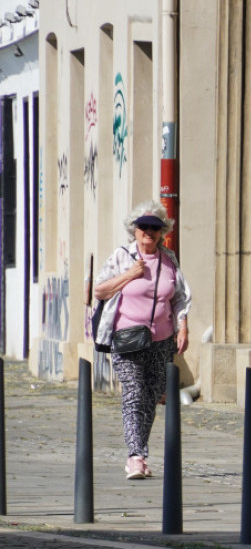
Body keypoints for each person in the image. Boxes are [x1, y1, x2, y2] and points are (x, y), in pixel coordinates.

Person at [93, 200, 193, 480]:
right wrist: (130, 275)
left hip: (161, 341)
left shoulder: (169, 259)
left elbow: (180, 297)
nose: (149, 232)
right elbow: (100, 290)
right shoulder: (122, 256)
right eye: (143, 227)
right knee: (134, 394)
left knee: (150, 397)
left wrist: (183, 327)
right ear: (134, 230)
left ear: (163, 231)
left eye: (155, 228)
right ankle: (136, 457)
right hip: (126, 339)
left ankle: (139, 453)